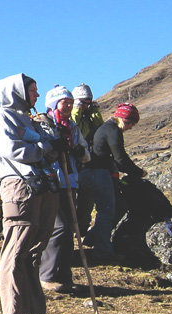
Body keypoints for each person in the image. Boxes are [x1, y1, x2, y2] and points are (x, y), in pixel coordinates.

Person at [0, 73, 66, 314]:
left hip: (43, 185)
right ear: (16, 91)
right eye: (31, 90)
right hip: (20, 185)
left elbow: (45, 147)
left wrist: (56, 143)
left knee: (35, 249)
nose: (36, 94)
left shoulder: (28, 118)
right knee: (17, 248)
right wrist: (44, 148)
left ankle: (32, 313)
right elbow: (10, 148)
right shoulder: (1, 116)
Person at [36, 85, 91, 292]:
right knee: (58, 228)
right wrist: (52, 149)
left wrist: (79, 152)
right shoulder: (43, 124)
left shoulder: (72, 126)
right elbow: (40, 150)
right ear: (53, 104)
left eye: (70, 102)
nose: (68, 105)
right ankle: (46, 275)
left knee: (70, 229)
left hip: (70, 181)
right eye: (64, 102)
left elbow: (85, 151)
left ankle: (64, 276)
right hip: (51, 182)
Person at [82, 103, 143, 262]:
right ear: (124, 119)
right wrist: (138, 172)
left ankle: (91, 238)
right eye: (131, 123)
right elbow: (120, 157)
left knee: (116, 206)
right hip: (99, 173)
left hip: (89, 172)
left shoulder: (103, 128)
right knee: (107, 211)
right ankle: (102, 252)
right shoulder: (113, 131)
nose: (130, 128)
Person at [70, 84, 103, 237]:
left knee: (86, 197)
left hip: (86, 162)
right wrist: (76, 109)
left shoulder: (89, 116)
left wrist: (95, 112)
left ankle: (82, 227)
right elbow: (73, 128)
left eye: (88, 102)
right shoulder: (71, 115)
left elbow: (99, 130)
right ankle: (70, 228)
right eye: (83, 102)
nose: (85, 106)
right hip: (72, 162)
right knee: (72, 197)